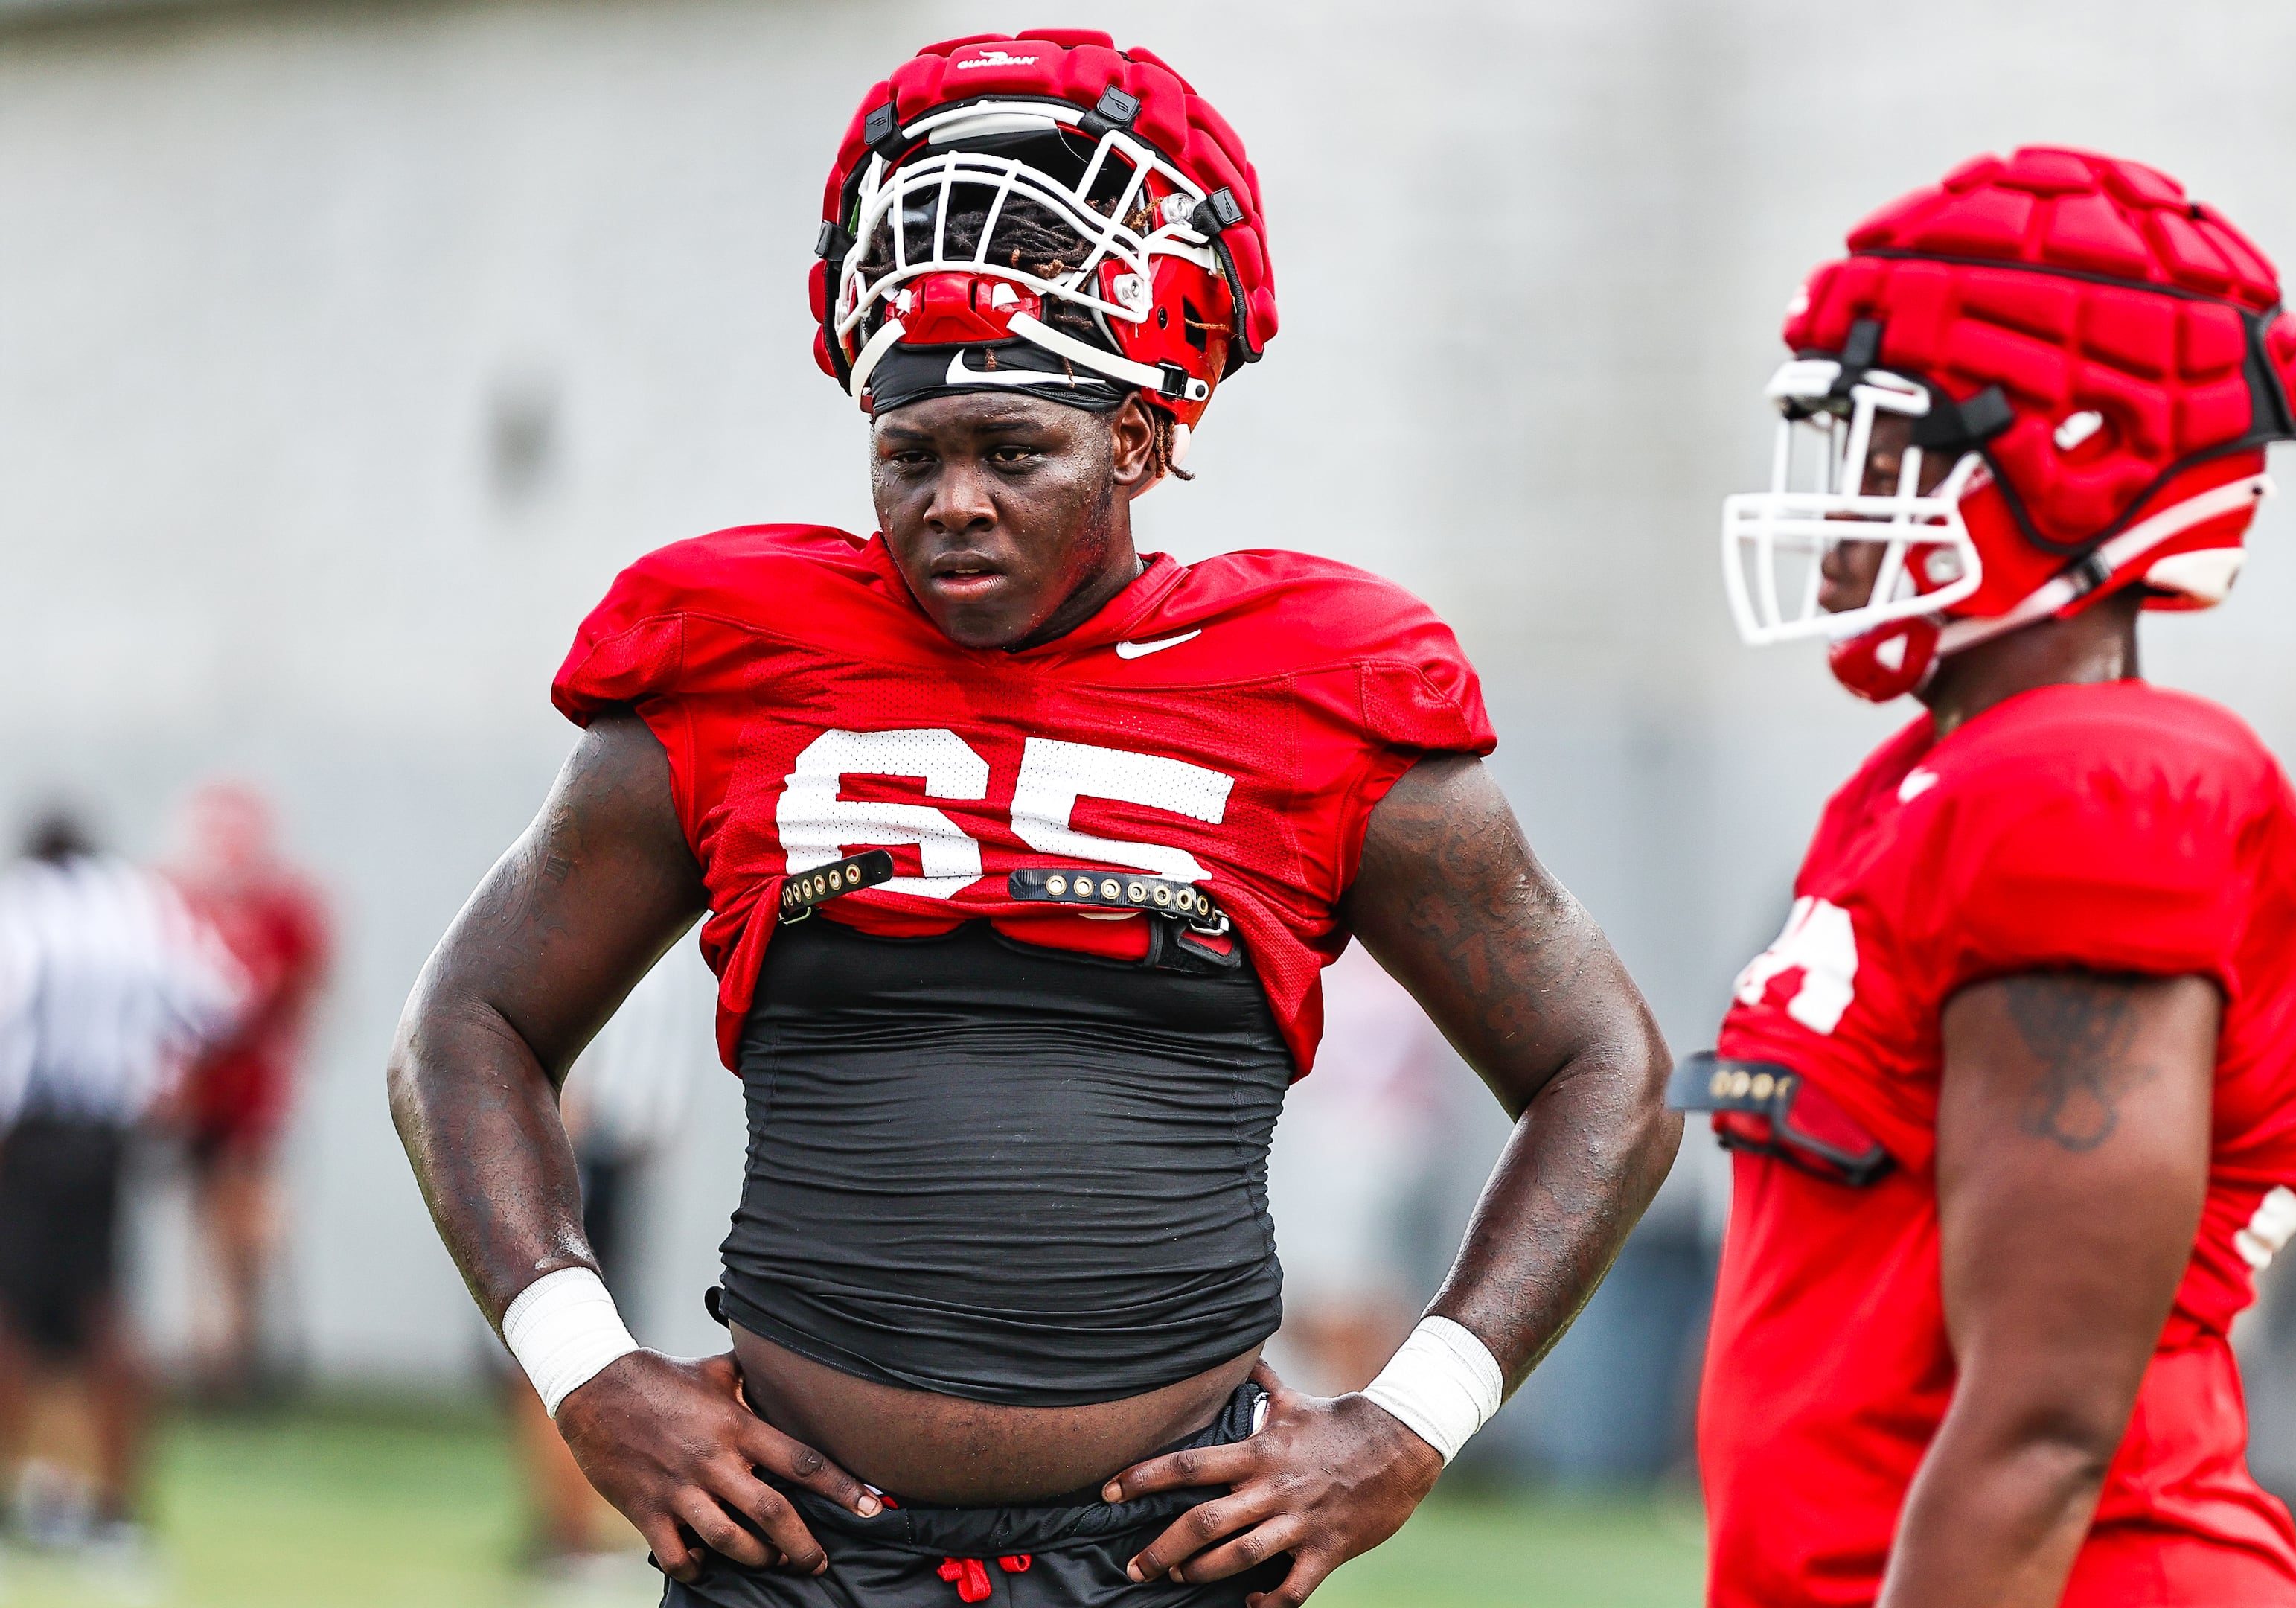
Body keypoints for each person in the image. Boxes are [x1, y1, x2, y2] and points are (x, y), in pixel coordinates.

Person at [386, 31, 1682, 1608]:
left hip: (1164, 1557)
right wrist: (586, 1367)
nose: (953, 502)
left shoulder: (1316, 683)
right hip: (793, 1551)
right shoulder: (741, 654)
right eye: (909, 453)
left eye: (1014, 452)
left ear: (1136, 444)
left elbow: (1605, 1068)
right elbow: (466, 1024)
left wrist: (1413, 1420)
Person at [1681, 148, 2296, 1607]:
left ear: (2075, 456)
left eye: (1890, 445)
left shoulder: (2081, 794)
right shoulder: (1938, 775)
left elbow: (2044, 1430)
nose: (1848, 499)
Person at [0, 810, 240, 1558]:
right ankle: (113, 1504)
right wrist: (170, 1084)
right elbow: (221, 999)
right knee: (104, 1310)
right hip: (106, 1134)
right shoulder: (136, 905)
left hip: (30, 1131)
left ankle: (20, 1492)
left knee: (12, 1317)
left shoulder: (23, 905)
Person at [511, 941, 716, 1576]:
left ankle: (586, 1522)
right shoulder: (610, 907)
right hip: (586, 1150)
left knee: (614, 1336)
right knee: (563, 1331)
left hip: (624, 1155)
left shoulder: (674, 926)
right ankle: (566, 1526)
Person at [161, 779, 332, 1405]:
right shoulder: (182, 904)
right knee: (212, 1225)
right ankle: (223, 1353)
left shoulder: (282, 912)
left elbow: (306, 995)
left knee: (247, 1225)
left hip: (252, 1099)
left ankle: (237, 1352)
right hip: (206, 1096)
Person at [1261, 942, 1447, 1395]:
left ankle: (1357, 1426)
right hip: (1373, 1147)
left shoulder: (1371, 969)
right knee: (1345, 1302)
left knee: (1342, 1304)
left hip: (1351, 1148)